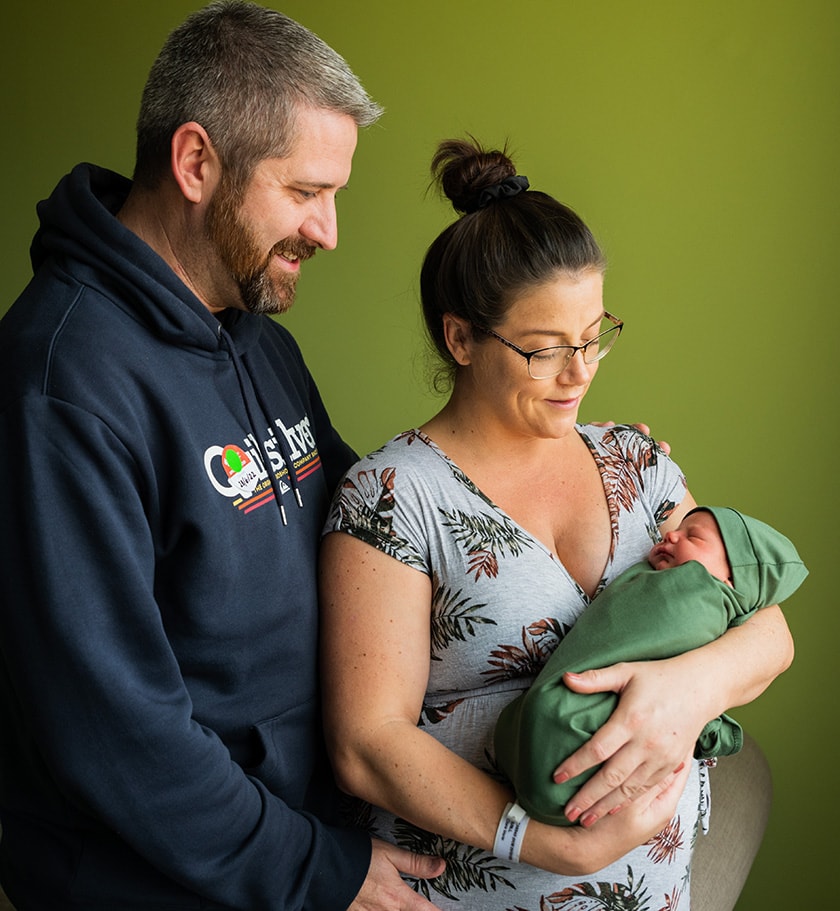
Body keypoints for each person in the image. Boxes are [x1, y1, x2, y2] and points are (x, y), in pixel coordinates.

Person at [0, 3, 448, 909]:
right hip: (166, 880)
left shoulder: (254, 337)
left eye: (336, 196)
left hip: (313, 830)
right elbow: (115, 730)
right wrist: (323, 870)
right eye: (306, 192)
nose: (328, 232)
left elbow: (371, 530)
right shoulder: (60, 384)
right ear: (196, 161)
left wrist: (557, 499)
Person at [318, 138, 795, 909]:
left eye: (593, 336)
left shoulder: (634, 460)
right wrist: (549, 842)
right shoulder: (391, 497)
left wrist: (681, 691)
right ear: (461, 338)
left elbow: (768, 633)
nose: (580, 372)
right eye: (544, 351)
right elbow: (366, 748)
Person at [495, 505, 807, 825]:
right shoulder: (655, 581)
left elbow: (777, 644)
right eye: (677, 530)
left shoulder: (710, 601)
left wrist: (697, 700)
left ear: (732, 580)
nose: (670, 534)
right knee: (550, 710)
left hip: (628, 813)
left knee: (554, 716)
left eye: (693, 536)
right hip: (516, 777)